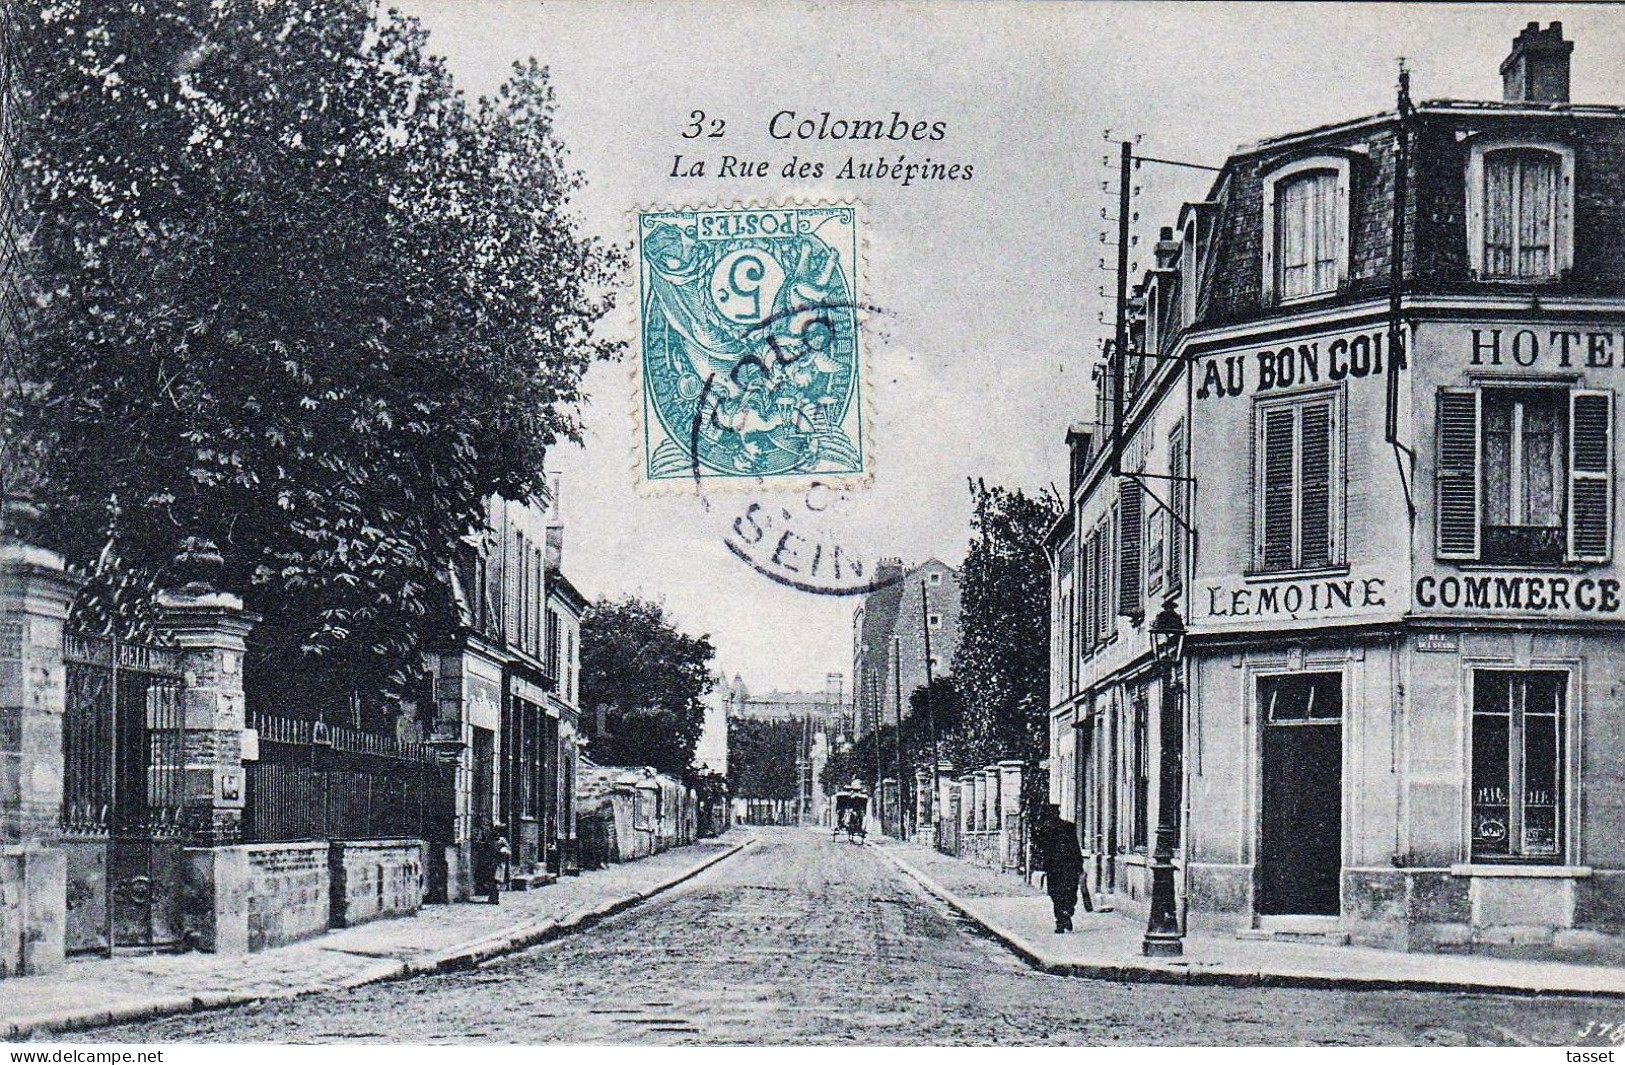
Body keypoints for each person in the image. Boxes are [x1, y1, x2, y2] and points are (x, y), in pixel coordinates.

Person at [1035, 803, 1090, 932]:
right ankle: (1066, 914)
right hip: (1068, 866)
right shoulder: (1067, 827)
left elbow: (1039, 846)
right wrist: (1079, 864)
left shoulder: (1044, 829)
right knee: (1069, 892)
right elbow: (1075, 847)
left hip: (1055, 867)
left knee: (1057, 894)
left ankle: (1061, 919)